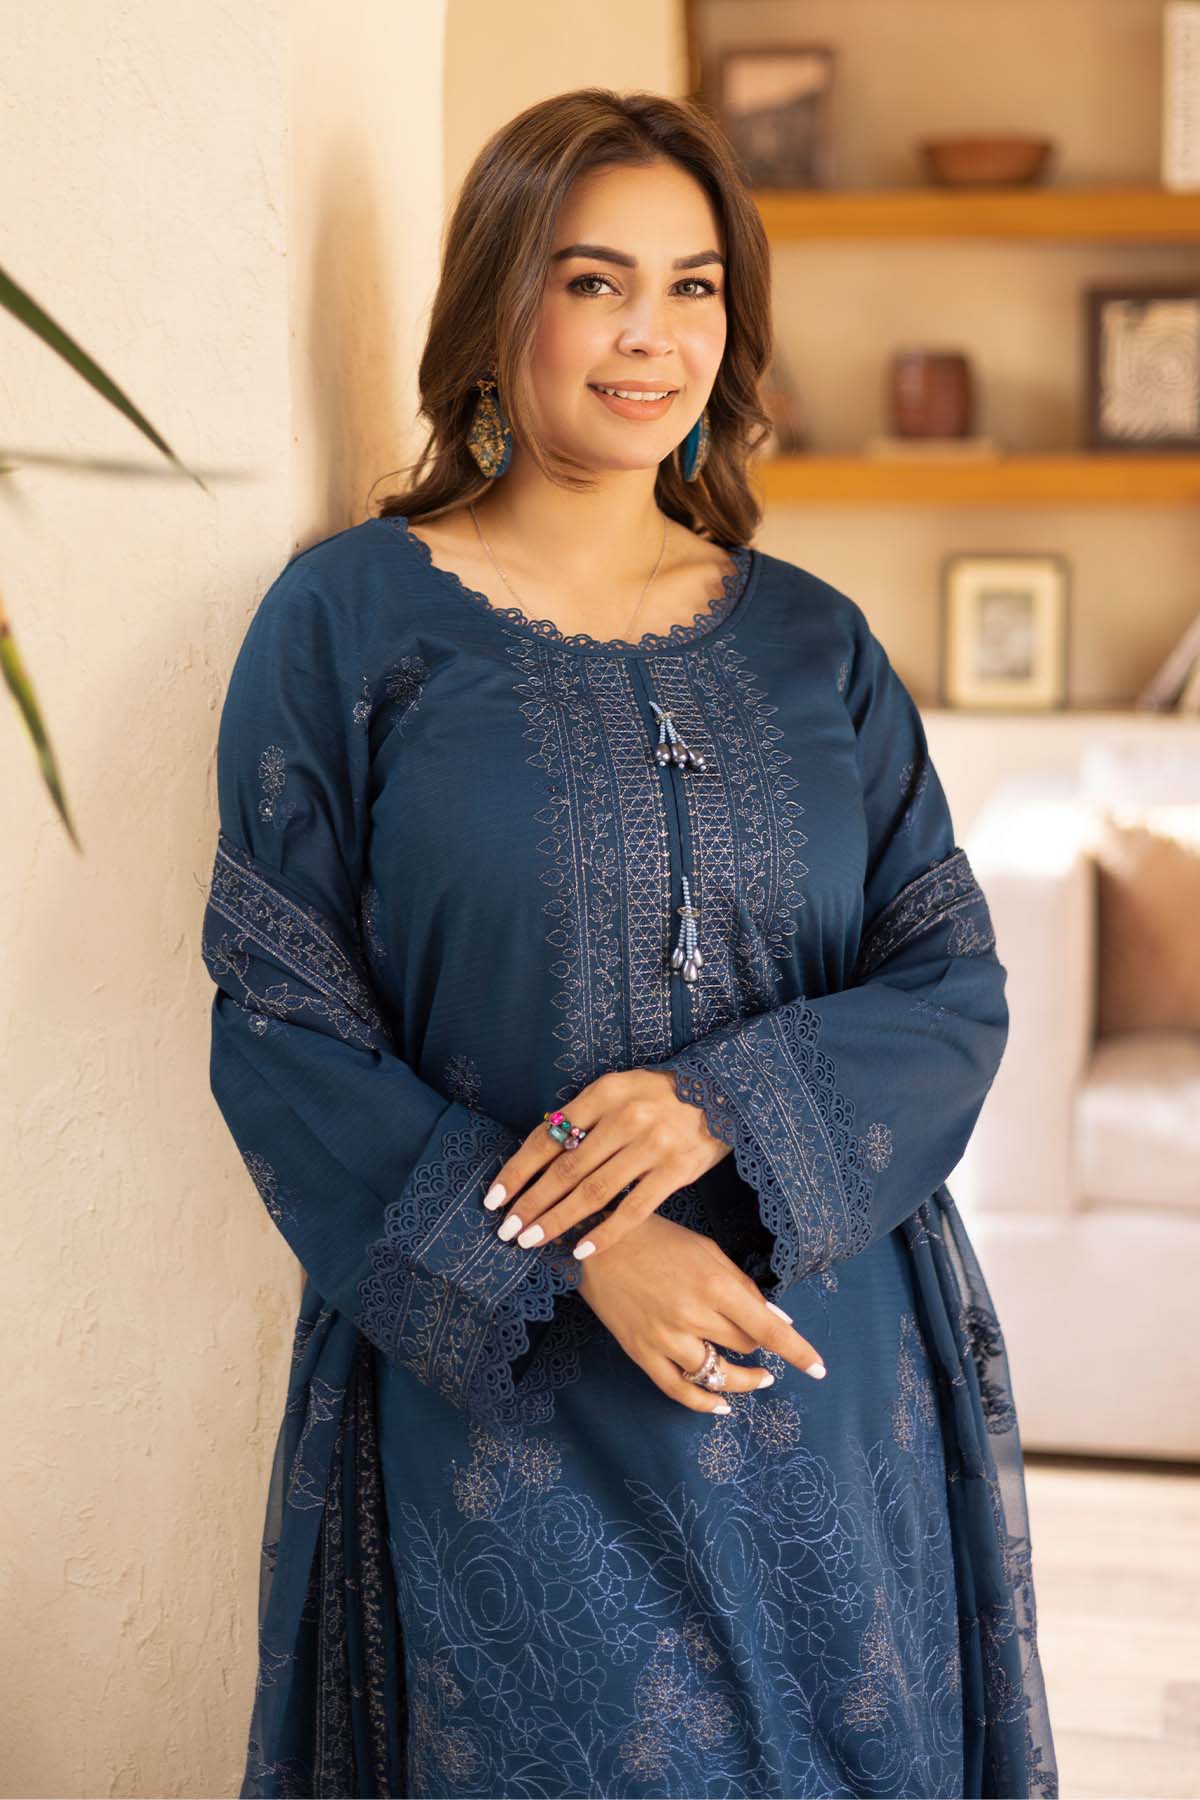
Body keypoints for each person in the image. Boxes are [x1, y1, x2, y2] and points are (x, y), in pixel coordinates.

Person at [201, 86, 1058, 1800]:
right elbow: (280, 1021)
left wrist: (721, 1101)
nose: (649, 336)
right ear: (496, 302)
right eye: (593, 282)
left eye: (693, 286)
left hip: (822, 1386)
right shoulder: (350, 621)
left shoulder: (817, 644)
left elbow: (949, 983)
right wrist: (584, 1242)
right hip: (506, 1400)